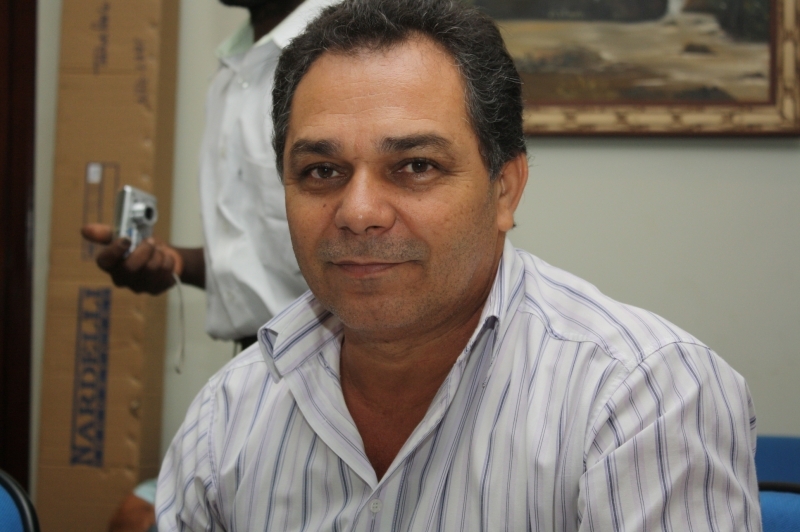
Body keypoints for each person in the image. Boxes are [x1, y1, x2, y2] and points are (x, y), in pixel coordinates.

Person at [156, 0, 762, 530]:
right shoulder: (229, 414)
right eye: (322, 171)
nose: (358, 213)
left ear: (505, 190)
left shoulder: (643, 400)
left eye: (416, 166)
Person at [87, 1, 337, 531]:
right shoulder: (236, 66)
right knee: (134, 519)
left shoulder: (346, 49)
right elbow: (261, 257)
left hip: (342, 374)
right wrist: (173, 263)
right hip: (257, 367)